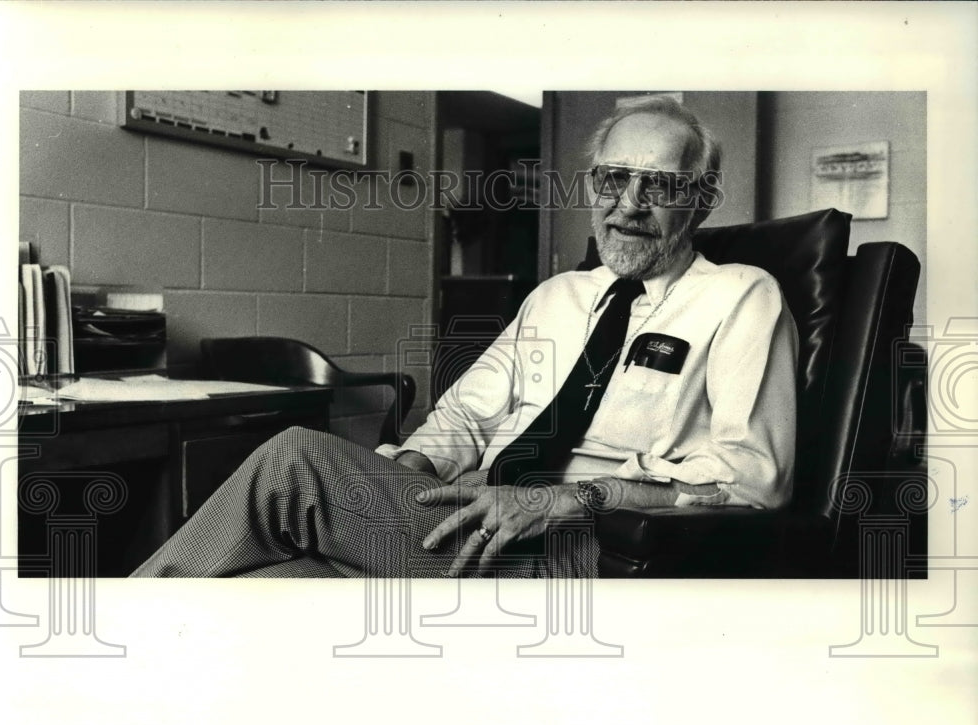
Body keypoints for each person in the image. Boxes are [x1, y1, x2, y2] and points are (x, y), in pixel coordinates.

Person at [131, 96, 798, 579]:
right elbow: (464, 417)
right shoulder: (557, 297)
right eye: (613, 178)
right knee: (266, 587)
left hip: (577, 546)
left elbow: (752, 481)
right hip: (467, 518)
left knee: (294, 462)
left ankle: (118, 638)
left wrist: (570, 499)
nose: (629, 204)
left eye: (659, 185)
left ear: (703, 199)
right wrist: (409, 473)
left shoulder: (741, 296)